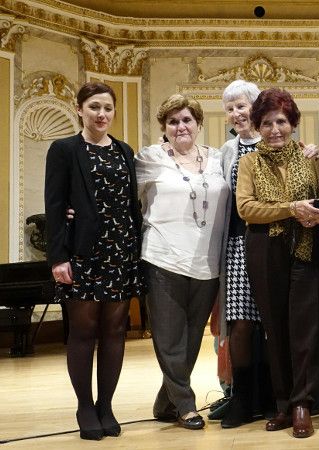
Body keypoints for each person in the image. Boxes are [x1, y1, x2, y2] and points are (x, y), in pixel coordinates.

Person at [44, 81, 143, 440]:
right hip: (83, 253)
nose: (102, 114)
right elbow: (55, 206)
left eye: (108, 108)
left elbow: (130, 203)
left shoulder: (124, 150)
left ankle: (106, 405)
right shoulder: (65, 149)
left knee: (115, 332)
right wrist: (58, 257)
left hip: (121, 252)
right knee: (84, 332)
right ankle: (85, 406)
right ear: (80, 110)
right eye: (95, 107)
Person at [236, 88, 319, 438]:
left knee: (305, 329)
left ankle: (302, 404)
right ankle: (281, 403)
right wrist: (290, 208)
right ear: (257, 126)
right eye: (266, 123)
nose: (274, 129)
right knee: (274, 327)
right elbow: (246, 208)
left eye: (281, 121)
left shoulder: (312, 157)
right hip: (265, 247)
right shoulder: (249, 162)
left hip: (309, 245)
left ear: (293, 123)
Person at [135, 94, 230, 430]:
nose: (181, 127)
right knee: (169, 336)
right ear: (164, 127)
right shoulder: (150, 158)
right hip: (162, 257)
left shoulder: (217, 158)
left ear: (199, 124)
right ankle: (186, 406)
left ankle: (166, 401)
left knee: (191, 339)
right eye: (173, 121)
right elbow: (118, 194)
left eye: (187, 120)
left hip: (207, 261)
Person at [216, 79, 275, 428]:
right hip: (238, 243)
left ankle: (270, 394)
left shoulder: (275, 142)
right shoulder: (225, 151)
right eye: (231, 108)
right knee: (239, 323)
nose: (237, 113)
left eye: (242, 105)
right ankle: (241, 398)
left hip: (272, 241)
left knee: (270, 321)